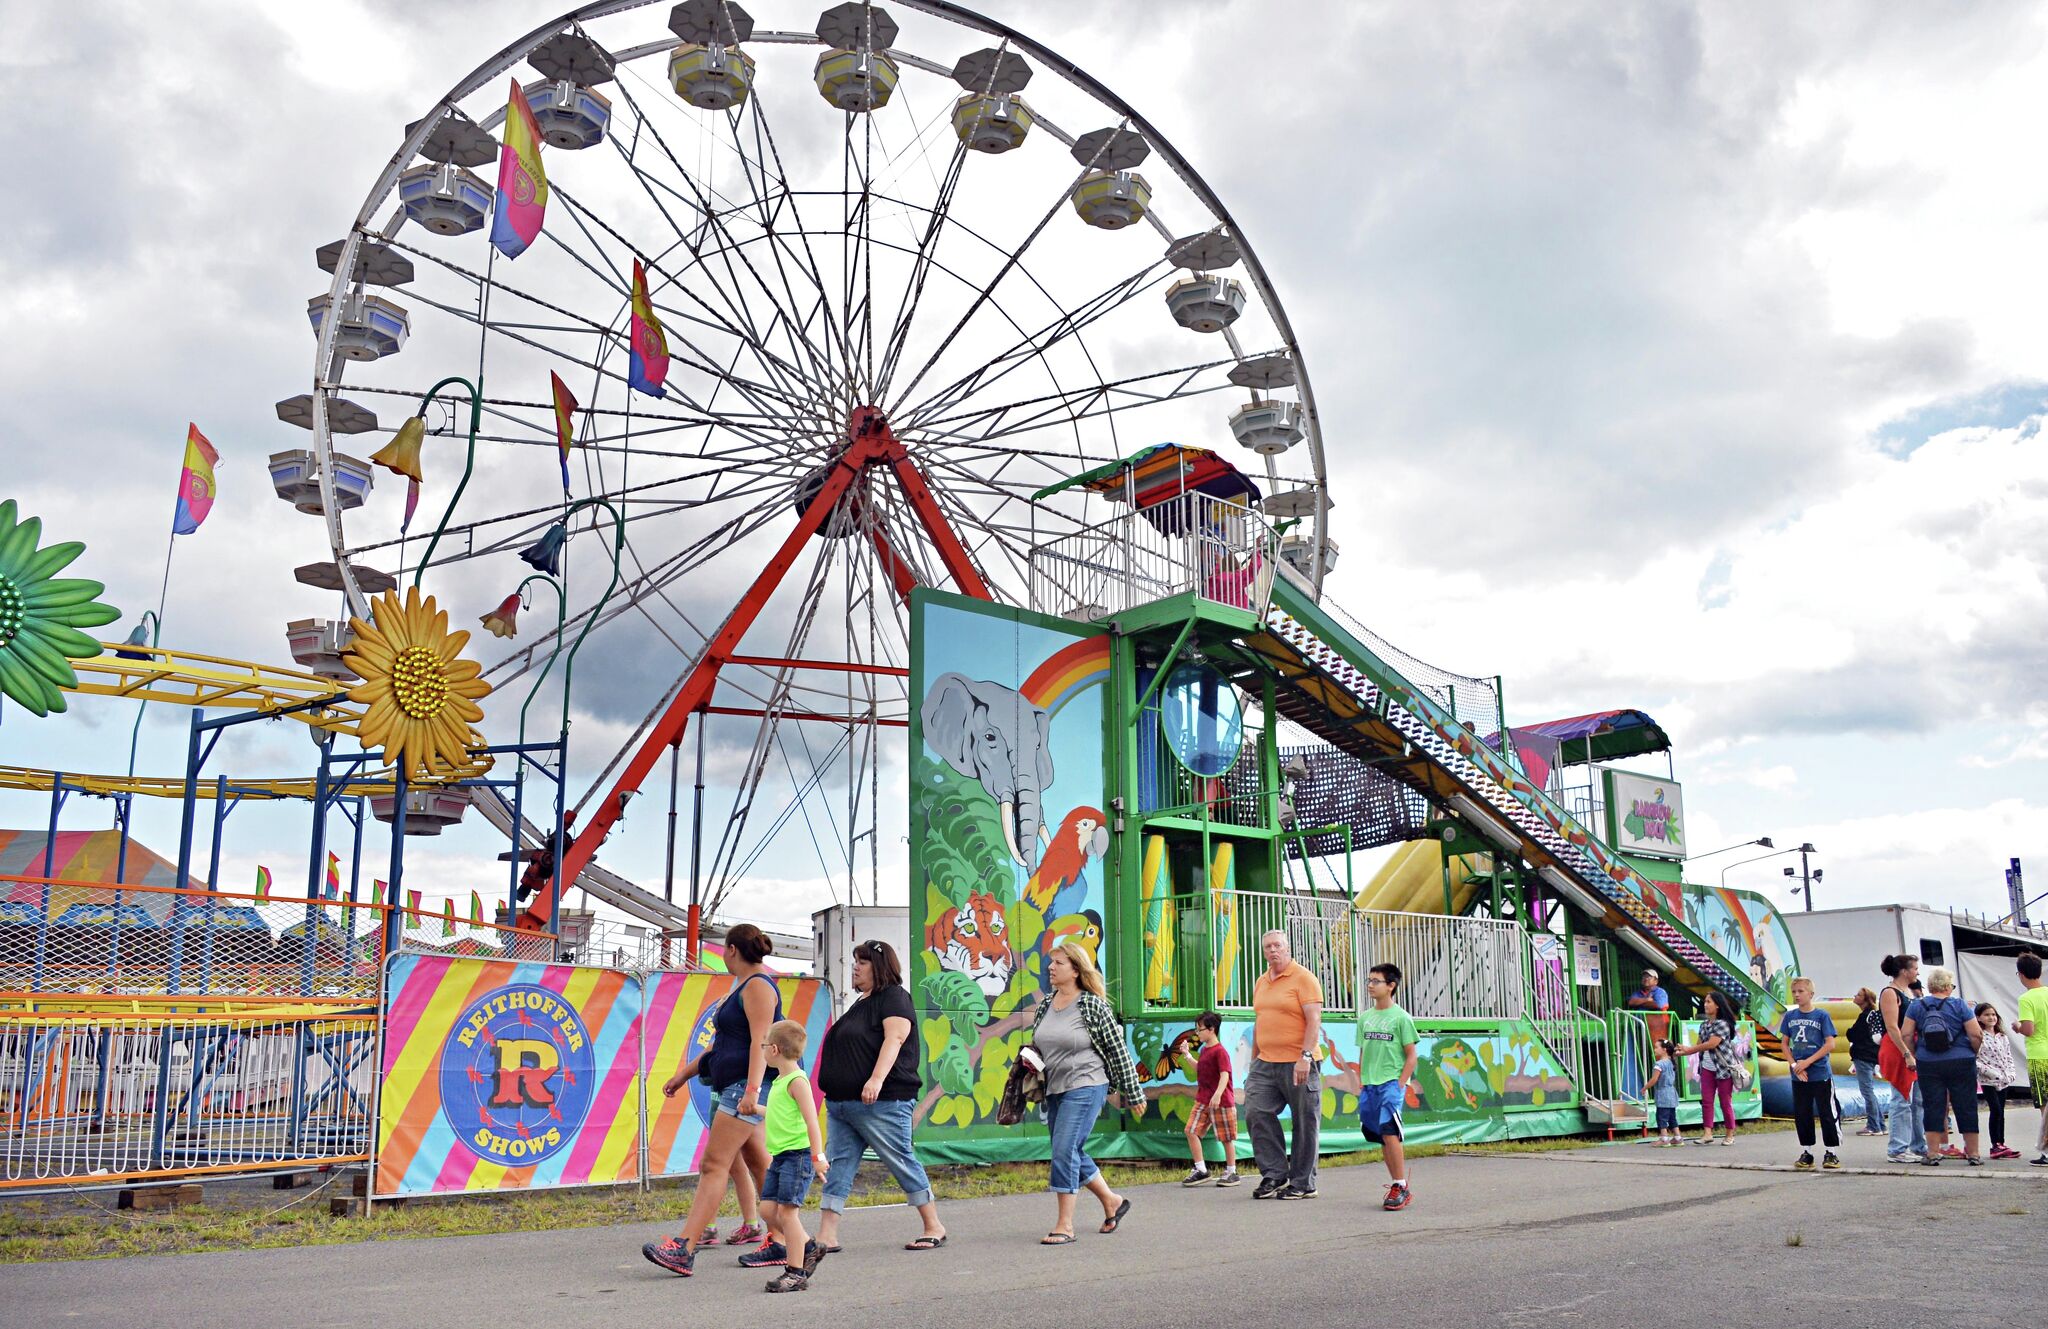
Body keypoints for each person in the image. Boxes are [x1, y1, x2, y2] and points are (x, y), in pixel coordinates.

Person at [643, 923, 782, 1278]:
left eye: (724, 948)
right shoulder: (741, 988)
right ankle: (784, 1240)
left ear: (733, 950)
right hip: (734, 1084)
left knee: (714, 1164)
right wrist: (683, 1075)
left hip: (742, 1088)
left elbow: (760, 1043)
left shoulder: (759, 987)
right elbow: (719, 1047)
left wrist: (751, 1091)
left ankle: (684, 1248)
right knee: (757, 1163)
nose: (722, 954)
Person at [814, 940, 946, 1253]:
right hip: (843, 1104)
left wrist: (875, 1080)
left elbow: (895, 1038)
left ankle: (934, 1226)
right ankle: (826, 1235)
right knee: (839, 1165)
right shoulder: (862, 1002)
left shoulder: (894, 997)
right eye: (856, 961)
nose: (856, 967)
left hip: (882, 1102)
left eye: (863, 962)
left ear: (880, 966)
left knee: (899, 1159)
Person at [1030, 940, 1146, 1245]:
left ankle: (1065, 1225)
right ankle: (1112, 1201)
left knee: (1064, 1149)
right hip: (1055, 1087)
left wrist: (1133, 1093)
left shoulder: (1092, 1005)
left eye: (1058, 963)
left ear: (1077, 970)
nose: (1051, 968)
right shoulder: (1046, 1004)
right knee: (1068, 1150)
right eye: (1051, 963)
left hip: (1087, 1084)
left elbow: (1117, 1050)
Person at [1245, 929, 1324, 1199]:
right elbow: (1260, 1022)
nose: (1273, 951)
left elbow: (1314, 1020)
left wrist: (1305, 1057)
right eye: (1267, 947)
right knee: (1256, 1111)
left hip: (1298, 1061)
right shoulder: (1261, 981)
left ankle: (1303, 1183)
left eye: (1277, 945)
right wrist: (1254, 1060)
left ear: (1287, 948)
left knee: (1304, 1122)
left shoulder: (1304, 978)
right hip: (1265, 1063)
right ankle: (1275, 1173)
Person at [755, 1020, 829, 1293]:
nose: (762, 1049)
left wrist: (817, 1155)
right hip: (780, 1157)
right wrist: (758, 1110)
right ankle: (810, 1248)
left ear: (773, 1049)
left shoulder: (797, 1081)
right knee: (767, 1210)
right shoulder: (780, 1080)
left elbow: (812, 1121)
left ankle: (795, 1272)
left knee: (788, 1214)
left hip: (797, 1157)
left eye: (763, 1045)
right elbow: (779, 1115)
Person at [1901, 967, 1984, 1166]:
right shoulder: (1959, 1005)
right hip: (1961, 1060)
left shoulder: (1917, 1006)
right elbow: (1976, 1034)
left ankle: (1932, 1152)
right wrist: (1973, 1052)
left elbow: (1905, 1034)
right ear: (1947, 986)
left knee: (1933, 1106)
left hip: (1928, 1062)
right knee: (1966, 1105)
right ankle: (1973, 1153)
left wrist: (1915, 1052)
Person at [1358, 962, 1419, 1211]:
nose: (1370, 986)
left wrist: (1400, 1083)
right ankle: (1396, 1182)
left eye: (1376, 981)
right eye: (1369, 981)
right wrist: (1361, 1082)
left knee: (1390, 1131)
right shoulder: (1365, 1018)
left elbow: (1411, 1055)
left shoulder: (1401, 1018)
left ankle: (1400, 1186)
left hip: (1390, 1084)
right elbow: (1364, 1051)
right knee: (1382, 1136)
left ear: (1391, 986)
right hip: (1369, 1086)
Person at [1779, 977, 1841, 1171]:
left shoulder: (1821, 1016)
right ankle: (1807, 1151)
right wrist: (1794, 1064)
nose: (1797, 995)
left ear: (1810, 994)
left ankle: (1831, 1151)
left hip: (1819, 1072)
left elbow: (1830, 1043)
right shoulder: (1790, 1016)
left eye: (1801, 991)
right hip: (1799, 1073)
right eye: (1794, 991)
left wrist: (1808, 1061)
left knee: (1826, 1111)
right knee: (1802, 1112)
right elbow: (1784, 1044)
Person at [1673, 991, 1742, 1145]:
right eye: (1705, 1002)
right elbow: (1699, 1046)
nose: (1705, 1004)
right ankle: (1707, 1133)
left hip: (1724, 1069)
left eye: (1709, 1002)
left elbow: (1711, 1044)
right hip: (1707, 1068)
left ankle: (1730, 1133)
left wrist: (1689, 1050)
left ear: (1717, 1005)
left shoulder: (1722, 1024)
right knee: (1707, 1101)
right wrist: (1683, 1051)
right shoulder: (1704, 1025)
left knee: (1725, 1101)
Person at [1181, 1011, 1240, 1187]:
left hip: (1221, 1102)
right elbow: (1200, 1068)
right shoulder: (1205, 1050)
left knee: (1226, 1137)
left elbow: (1225, 1075)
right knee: (1191, 1130)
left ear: (1211, 1029)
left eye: (1200, 1029)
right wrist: (1187, 1055)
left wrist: (1218, 1094)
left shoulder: (1220, 1052)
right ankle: (1201, 1169)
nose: (1197, 1033)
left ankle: (1231, 1171)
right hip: (1203, 1099)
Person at [1878, 953, 1927, 1163]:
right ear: (1904, 971)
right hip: (1898, 1048)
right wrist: (1906, 1053)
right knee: (1901, 1100)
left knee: (1916, 1100)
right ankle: (1897, 1148)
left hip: (1911, 1047)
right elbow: (1891, 1026)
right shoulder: (1890, 993)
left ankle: (1918, 1145)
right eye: (1915, 968)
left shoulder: (1908, 992)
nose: (1917, 972)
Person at [1973, 1002, 2020, 1160]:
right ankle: (1995, 1145)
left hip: (2004, 1079)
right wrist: (1992, 1074)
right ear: (1979, 1017)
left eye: (1993, 1014)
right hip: (1989, 1081)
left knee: (2001, 1111)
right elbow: (1976, 1060)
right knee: (1996, 1110)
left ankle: (2001, 1143)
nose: (1991, 1017)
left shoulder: (2002, 1036)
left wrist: (2011, 1073)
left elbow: (2008, 1056)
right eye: (1987, 1015)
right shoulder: (1979, 1036)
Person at [2015, 951, 2048, 1165]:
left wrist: (2017, 1027)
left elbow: (2028, 1029)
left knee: (2044, 1104)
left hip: (2038, 1054)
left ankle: (2046, 1150)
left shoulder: (2026, 998)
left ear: (2021, 974)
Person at [1844, 988, 1887, 1136]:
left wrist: (1850, 1032)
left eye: (1858, 995)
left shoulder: (1865, 1017)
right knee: (1870, 1091)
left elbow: (1853, 1034)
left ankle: (1873, 1125)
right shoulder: (1872, 1016)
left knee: (1867, 1091)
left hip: (1863, 1056)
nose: (1855, 996)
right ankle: (1880, 1124)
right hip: (1872, 1056)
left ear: (1866, 999)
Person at [1650, 1039, 1681, 1147]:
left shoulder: (1659, 1064)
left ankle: (1664, 1138)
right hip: (1672, 1093)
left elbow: (1654, 1079)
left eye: (1656, 1047)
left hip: (1663, 1093)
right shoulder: (1671, 1061)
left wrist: (1645, 1087)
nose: (1655, 1049)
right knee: (1672, 1116)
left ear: (1664, 1050)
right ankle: (1677, 1137)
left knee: (1661, 1117)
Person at [1626, 967, 1671, 1041]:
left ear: (1656, 981)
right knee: (1628, 1026)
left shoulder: (1660, 992)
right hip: (1641, 1022)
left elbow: (1658, 1005)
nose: (1646, 979)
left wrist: (1639, 1003)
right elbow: (1631, 1002)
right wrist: (1647, 1000)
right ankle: (1630, 1053)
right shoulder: (1638, 992)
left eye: (1649, 977)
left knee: (1659, 1045)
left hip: (1658, 1021)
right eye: (1644, 977)